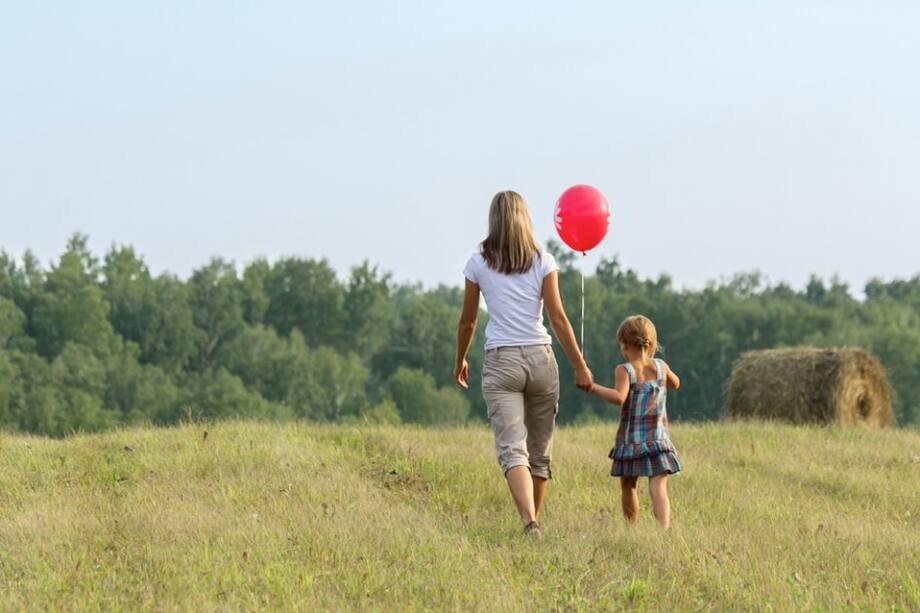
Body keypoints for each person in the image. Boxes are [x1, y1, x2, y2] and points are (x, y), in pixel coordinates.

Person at [455, 190, 593, 535]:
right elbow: (558, 318)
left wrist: (460, 358)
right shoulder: (542, 260)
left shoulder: (477, 263)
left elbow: (468, 321)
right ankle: (533, 524)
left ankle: (530, 522)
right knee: (539, 450)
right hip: (541, 359)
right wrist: (579, 364)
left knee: (512, 448)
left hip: (501, 361)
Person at [589, 315, 681, 529]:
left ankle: (632, 528)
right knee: (658, 486)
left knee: (629, 485)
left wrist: (594, 388)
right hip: (658, 439)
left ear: (624, 345)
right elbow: (676, 383)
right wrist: (666, 377)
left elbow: (619, 398)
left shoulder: (625, 370)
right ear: (651, 343)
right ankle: (663, 531)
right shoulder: (661, 366)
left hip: (632, 441)